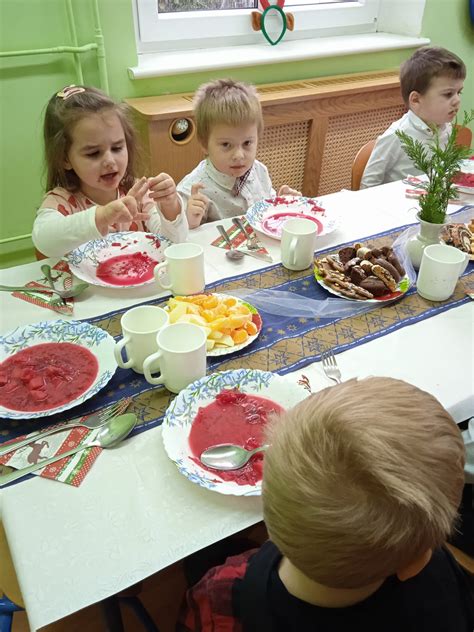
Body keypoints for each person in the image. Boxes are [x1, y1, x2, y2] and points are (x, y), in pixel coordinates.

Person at [177, 377, 474, 631]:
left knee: (203, 557)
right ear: (417, 561)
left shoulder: (218, 598)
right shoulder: (439, 581)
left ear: (266, 500)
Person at [32, 85, 188, 257]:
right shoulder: (63, 202)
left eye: (117, 148)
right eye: (93, 153)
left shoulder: (138, 193)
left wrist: (170, 206)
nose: (110, 161)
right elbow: (44, 240)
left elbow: (174, 244)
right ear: (65, 159)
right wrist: (102, 216)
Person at [177, 79, 301, 228]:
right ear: (204, 144)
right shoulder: (193, 190)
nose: (239, 155)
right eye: (226, 145)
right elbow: (180, 238)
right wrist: (190, 221)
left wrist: (281, 205)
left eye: (247, 143)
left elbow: (267, 212)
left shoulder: (259, 170)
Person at [360, 46, 466, 189]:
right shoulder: (397, 135)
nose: (457, 100)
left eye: (459, 92)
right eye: (448, 94)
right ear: (416, 100)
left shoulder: (446, 129)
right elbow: (368, 184)